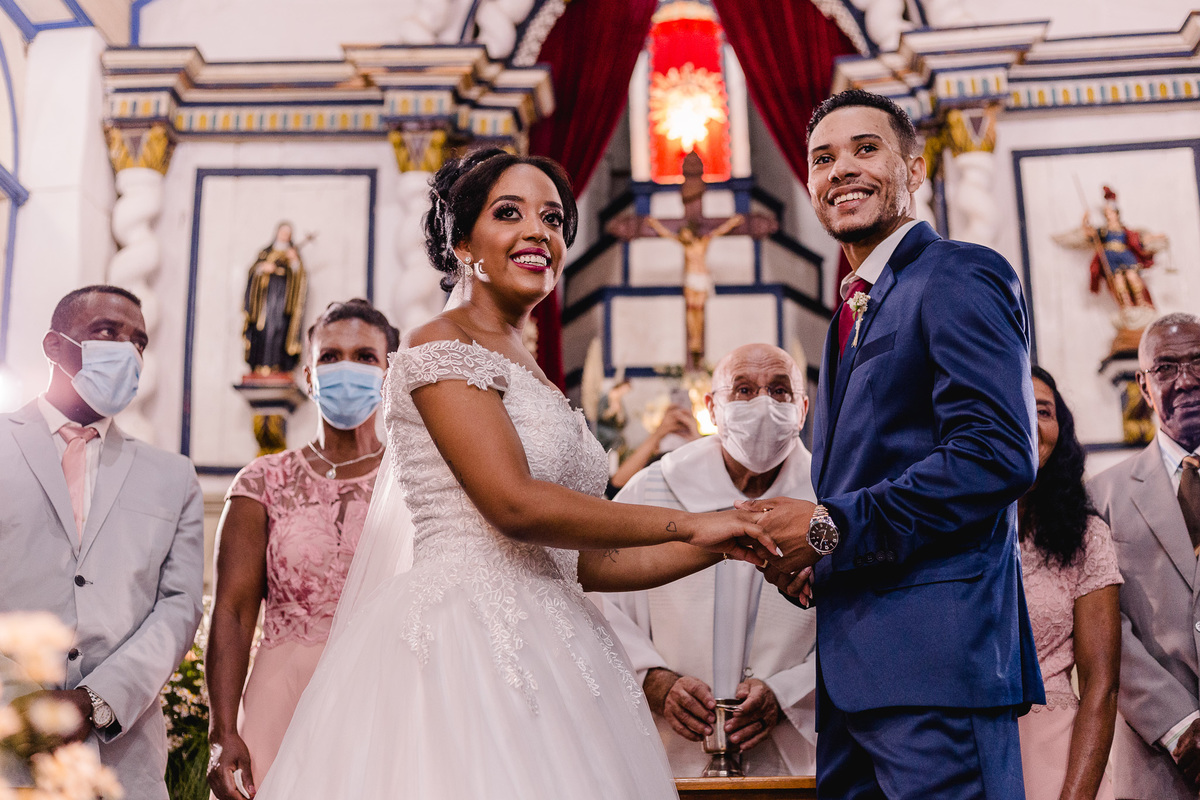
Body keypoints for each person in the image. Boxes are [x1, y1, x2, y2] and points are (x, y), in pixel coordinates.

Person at [250, 148, 774, 800]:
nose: (538, 232)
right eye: (510, 213)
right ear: (463, 241)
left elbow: (591, 562)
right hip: (464, 641)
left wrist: (726, 545)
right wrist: (696, 522)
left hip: (560, 636)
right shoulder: (438, 344)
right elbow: (516, 506)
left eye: (553, 219)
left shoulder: (535, 373)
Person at [737, 88, 1043, 798]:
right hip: (856, 671)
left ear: (915, 166)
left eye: (865, 149)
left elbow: (995, 451)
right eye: (822, 158)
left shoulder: (959, 273)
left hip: (938, 661)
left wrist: (830, 525)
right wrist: (823, 558)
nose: (840, 169)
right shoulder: (849, 309)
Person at [0, 285, 205, 799]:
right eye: (106, 332)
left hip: (122, 754)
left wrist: (94, 700)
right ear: (54, 345)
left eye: (139, 341)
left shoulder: (172, 476)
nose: (129, 351)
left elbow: (178, 608)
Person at [205, 299, 400, 800]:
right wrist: (222, 730)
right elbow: (232, 610)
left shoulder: (414, 481)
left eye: (364, 356)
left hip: (385, 693)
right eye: (330, 357)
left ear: (389, 371)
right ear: (310, 377)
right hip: (279, 698)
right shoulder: (263, 481)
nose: (346, 368)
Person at [599, 343, 819, 777]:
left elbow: (860, 619)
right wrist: (652, 679)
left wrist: (786, 691)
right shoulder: (653, 490)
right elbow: (597, 592)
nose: (763, 404)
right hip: (666, 747)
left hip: (789, 751)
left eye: (780, 391)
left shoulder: (827, 504)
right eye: (743, 389)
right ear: (712, 407)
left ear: (804, 408)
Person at [1089, 311, 1200, 800]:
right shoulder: (1100, 496)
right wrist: (1178, 724)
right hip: (1160, 759)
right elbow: (1106, 629)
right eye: (1167, 367)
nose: (1188, 379)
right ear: (1142, 383)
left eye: (1199, 361)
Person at [1019, 366, 1122, 800]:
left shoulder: (1085, 536)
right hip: (960, 752)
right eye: (1016, 405)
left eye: (1044, 410)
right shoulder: (949, 529)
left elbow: (1101, 682)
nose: (1031, 421)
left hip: (1055, 754)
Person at [243, 222, 307, 376]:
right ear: (276, 233)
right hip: (265, 299)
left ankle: (279, 365)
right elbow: (253, 271)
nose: (284, 236)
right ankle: (259, 365)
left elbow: (300, 278)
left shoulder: (293, 253)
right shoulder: (265, 253)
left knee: (279, 328)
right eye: (282, 233)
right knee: (263, 328)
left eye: (287, 234)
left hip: (283, 300)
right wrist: (263, 269)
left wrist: (294, 262)